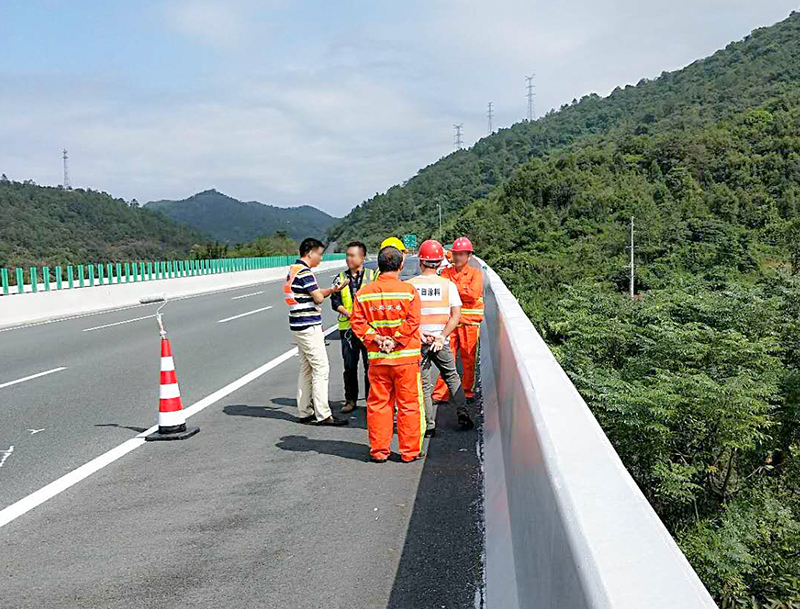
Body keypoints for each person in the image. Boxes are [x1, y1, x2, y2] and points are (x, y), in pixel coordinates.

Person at [349, 246, 424, 463]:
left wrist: (377, 339)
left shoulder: (363, 294)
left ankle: (379, 451)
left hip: (378, 359)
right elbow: (413, 321)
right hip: (406, 359)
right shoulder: (409, 292)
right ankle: (409, 452)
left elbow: (358, 323)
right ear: (401, 265)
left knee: (379, 405)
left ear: (378, 266)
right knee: (408, 405)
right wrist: (396, 339)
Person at [407, 239, 472, 435]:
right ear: (440, 262)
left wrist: (419, 332)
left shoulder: (410, 286)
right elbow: (456, 316)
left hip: (419, 341)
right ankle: (463, 414)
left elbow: (406, 317)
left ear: (421, 262)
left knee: (424, 384)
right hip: (440, 342)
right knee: (452, 376)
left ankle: (429, 425)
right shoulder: (448, 285)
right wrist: (441, 336)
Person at [283, 237, 349, 426]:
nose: (320, 259)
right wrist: (333, 291)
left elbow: (314, 293)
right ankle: (323, 414)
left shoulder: (293, 270)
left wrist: (332, 289)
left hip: (297, 325)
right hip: (307, 325)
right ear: (310, 252)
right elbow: (318, 298)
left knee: (306, 368)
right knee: (321, 368)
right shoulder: (305, 272)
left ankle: (305, 411)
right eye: (319, 254)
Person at [432, 236, 484, 406]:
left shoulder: (476, 274)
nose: (458, 257)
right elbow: (444, 292)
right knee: (446, 358)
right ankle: (441, 393)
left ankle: (467, 391)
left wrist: (454, 289)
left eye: (462, 254)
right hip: (451, 322)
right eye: (456, 254)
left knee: (468, 359)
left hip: (469, 322)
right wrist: (462, 289)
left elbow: (473, 294)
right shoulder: (445, 273)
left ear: (469, 256)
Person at [330, 241, 377, 413]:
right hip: (348, 330)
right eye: (347, 255)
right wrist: (351, 315)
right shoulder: (340, 278)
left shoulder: (373, 276)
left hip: (368, 330)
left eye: (352, 255)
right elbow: (335, 302)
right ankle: (350, 400)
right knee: (349, 367)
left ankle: (372, 400)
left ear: (362, 257)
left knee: (370, 366)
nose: (348, 259)